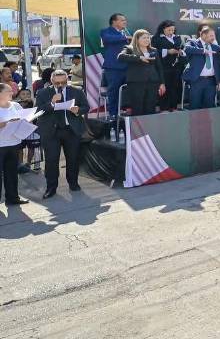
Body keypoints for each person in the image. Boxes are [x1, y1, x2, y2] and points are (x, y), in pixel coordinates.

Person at [35, 70, 88, 198]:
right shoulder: (43, 93)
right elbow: (39, 110)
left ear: (67, 80)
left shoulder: (76, 91)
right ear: (52, 81)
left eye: (63, 82)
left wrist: (78, 110)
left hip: (71, 130)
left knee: (73, 158)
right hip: (51, 131)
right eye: (57, 83)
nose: (60, 85)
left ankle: (73, 183)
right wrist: (52, 103)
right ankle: (51, 188)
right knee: (51, 160)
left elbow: (86, 107)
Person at [117, 29, 165, 116]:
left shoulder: (153, 50)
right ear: (137, 39)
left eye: (148, 38)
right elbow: (121, 57)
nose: (147, 40)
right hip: (136, 82)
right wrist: (139, 58)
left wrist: (162, 83)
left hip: (153, 82)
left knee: (151, 108)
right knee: (137, 108)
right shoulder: (129, 49)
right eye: (144, 38)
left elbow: (159, 68)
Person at [0, 83, 29, 206]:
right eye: (9, 91)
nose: (12, 93)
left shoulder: (16, 105)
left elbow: (25, 118)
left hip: (14, 143)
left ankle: (12, 198)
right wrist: (5, 123)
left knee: (11, 173)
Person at [182, 26, 220, 110]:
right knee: (195, 106)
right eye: (211, 35)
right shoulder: (193, 42)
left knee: (209, 106)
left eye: (214, 36)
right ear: (203, 35)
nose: (213, 38)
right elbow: (186, 49)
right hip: (197, 80)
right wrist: (203, 51)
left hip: (211, 81)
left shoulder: (216, 47)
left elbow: (219, 66)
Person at [101, 13, 130, 117]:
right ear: (114, 22)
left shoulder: (126, 32)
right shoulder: (106, 32)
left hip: (128, 67)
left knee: (129, 91)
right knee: (113, 91)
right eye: (122, 20)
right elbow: (108, 39)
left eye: (125, 20)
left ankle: (126, 111)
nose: (125, 22)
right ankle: (113, 114)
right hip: (113, 68)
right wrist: (126, 38)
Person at [152, 20, 184, 112]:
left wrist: (181, 52)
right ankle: (164, 107)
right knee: (165, 87)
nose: (171, 32)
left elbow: (181, 48)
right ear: (163, 29)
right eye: (169, 30)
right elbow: (154, 51)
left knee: (175, 87)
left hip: (176, 67)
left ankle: (174, 106)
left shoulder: (177, 38)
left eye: (173, 30)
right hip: (164, 67)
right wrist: (167, 51)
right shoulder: (156, 38)